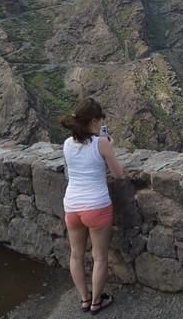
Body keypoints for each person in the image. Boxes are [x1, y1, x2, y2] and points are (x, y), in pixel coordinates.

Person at [60, 98, 124, 315]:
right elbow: (118, 174)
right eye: (100, 120)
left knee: (76, 254)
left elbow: (73, 170)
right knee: (99, 257)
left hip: (72, 206)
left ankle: (84, 298)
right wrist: (109, 147)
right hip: (96, 206)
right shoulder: (101, 143)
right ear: (95, 121)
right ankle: (97, 302)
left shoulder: (67, 144)